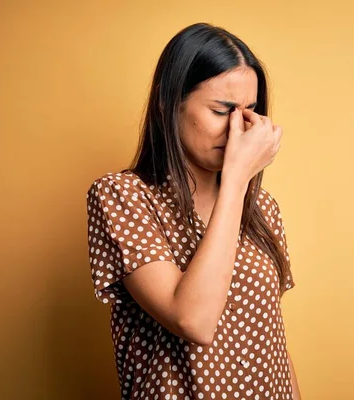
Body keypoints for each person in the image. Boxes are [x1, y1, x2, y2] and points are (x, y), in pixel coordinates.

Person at [85, 22, 300, 400]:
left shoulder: (261, 207)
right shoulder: (123, 196)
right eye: (222, 111)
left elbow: (272, 342)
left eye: (249, 112)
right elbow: (194, 320)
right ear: (170, 104)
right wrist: (236, 179)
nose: (238, 128)